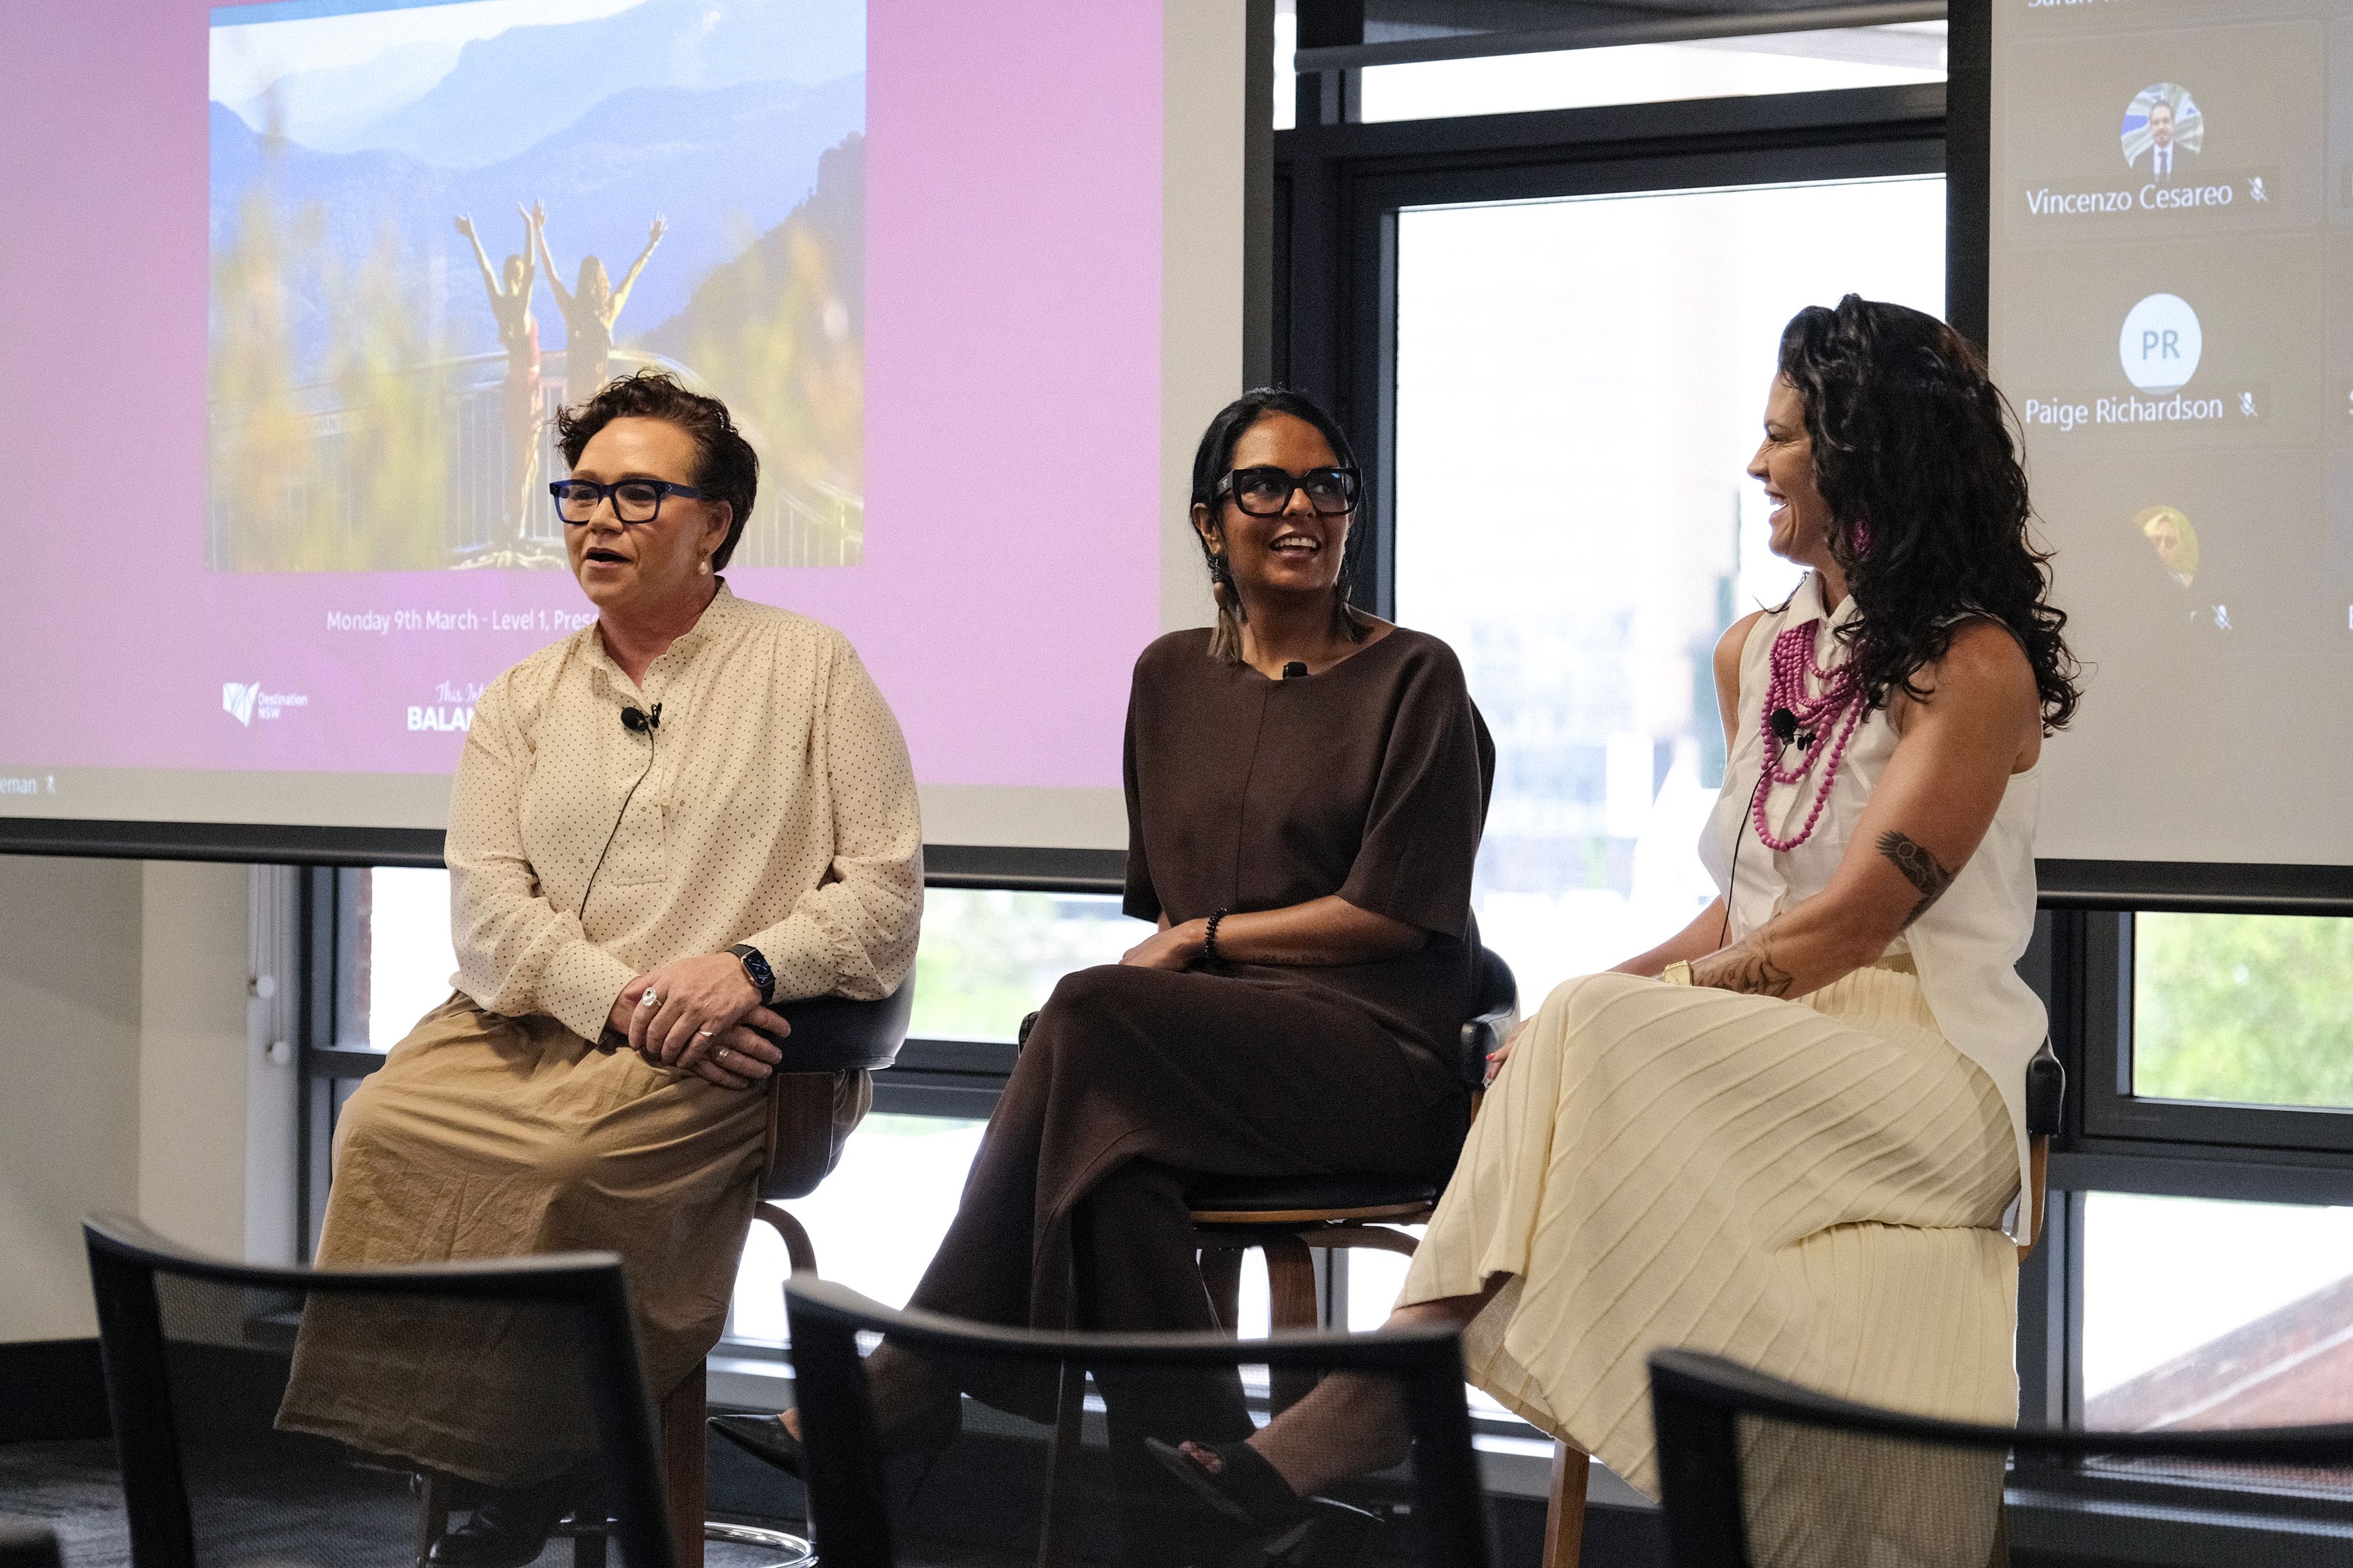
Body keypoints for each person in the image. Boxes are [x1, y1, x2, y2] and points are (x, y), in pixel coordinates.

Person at [1158, 298, 2081, 1567]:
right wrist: (1587, 998)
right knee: (1567, 1009)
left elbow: (1855, 924)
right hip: (1773, 1036)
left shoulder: (1975, 667)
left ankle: (1391, 1382)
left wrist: (1632, 1007)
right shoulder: (1756, 652)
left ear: (1870, 454)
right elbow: (1744, 904)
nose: (1757, 466)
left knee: (1591, 1020)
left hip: (1930, 1059)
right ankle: (1399, 1386)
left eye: (1783, 439)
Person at [711, 388, 1493, 1563]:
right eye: (1265, 486)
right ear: (1208, 520)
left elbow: (1388, 911)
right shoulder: (1167, 677)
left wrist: (1207, 942)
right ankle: (1214, 1496)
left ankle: (916, 1374)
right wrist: (1195, 950)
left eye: (1329, 486)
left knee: (1080, 1016)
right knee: (1105, 1160)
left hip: (1381, 1056)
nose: (1302, 509)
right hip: (1208, 1059)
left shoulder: (1416, 676)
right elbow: (1171, 896)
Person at [276, 370, 922, 1567]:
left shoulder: (811, 667)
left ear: (715, 521)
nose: (599, 519)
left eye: (638, 493)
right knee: (376, 1125)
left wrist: (749, 969)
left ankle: (533, 1469)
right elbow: (488, 912)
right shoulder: (521, 697)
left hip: (739, 1054)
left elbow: (882, 890)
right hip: (543, 1024)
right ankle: (482, 1456)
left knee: (564, 1165)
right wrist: (623, 999)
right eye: (581, 492)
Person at [454, 204, 551, 558]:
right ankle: (518, 529)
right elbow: (534, 269)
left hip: (513, 388)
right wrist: (531, 228)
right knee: (525, 465)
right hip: (528, 391)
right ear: (521, 275)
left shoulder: (500, 305)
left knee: (527, 463)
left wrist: (473, 235)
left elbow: (485, 268)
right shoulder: (521, 306)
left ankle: (515, 523)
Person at [536, 206, 664, 397]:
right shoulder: (609, 312)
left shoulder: (573, 312)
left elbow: (552, 274)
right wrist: (651, 245)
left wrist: (539, 232)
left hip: (576, 395)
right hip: (600, 394)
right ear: (603, 281)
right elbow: (632, 276)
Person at [2130, 95, 2188, 181]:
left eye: (2166, 121)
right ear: (2150, 128)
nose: (2161, 127)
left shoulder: (2189, 158)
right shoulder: (2139, 162)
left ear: (2173, 124)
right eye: (2156, 123)